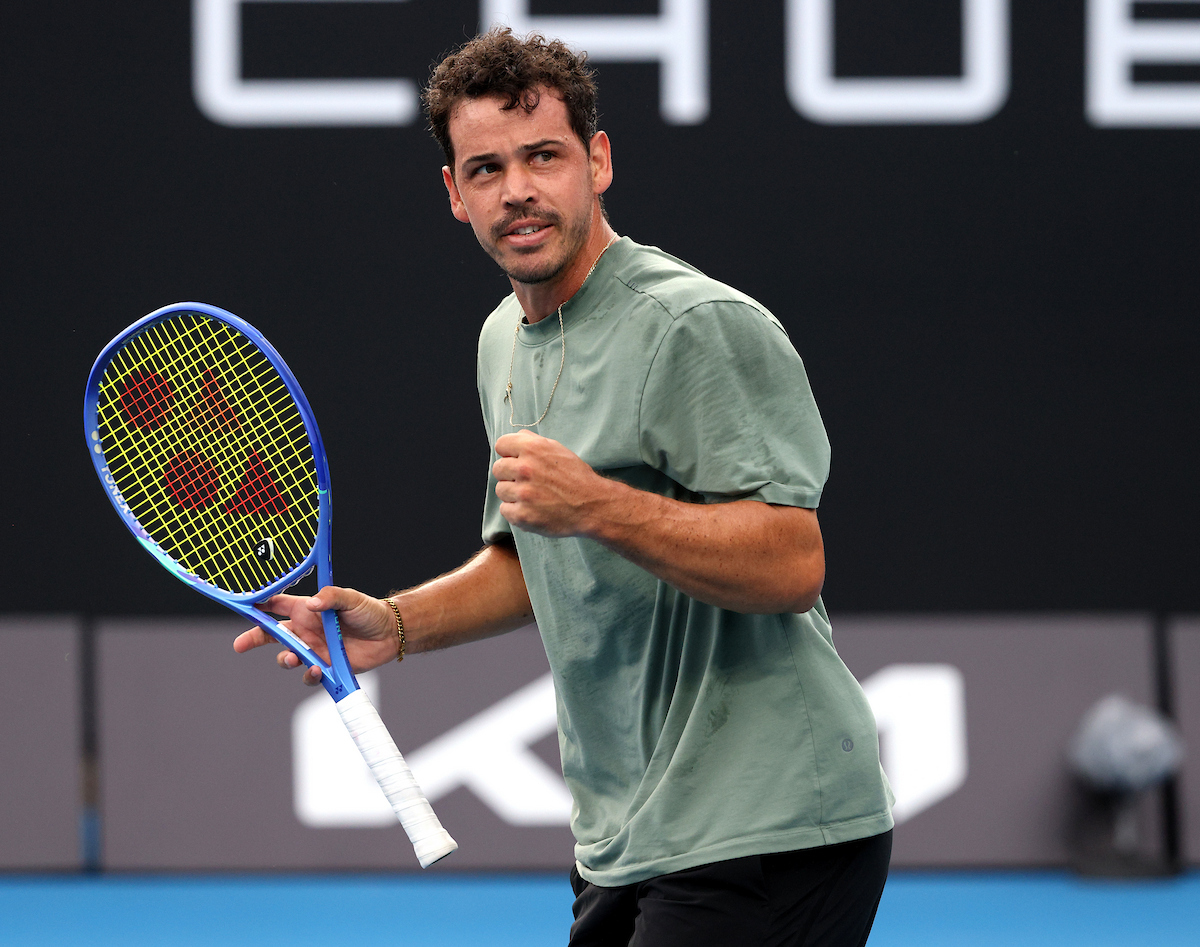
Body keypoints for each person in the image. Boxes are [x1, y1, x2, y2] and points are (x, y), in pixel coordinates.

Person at [235, 28, 893, 946]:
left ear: (598, 161)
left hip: (769, 823)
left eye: (543, 156)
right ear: (454, 196)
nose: (519, 191)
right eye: (487, 168)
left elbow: (791, 563)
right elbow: (530, 555)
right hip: (625, 833)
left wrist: (599, 504)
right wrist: (402, 621)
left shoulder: (693, 325)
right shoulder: (501, 339)